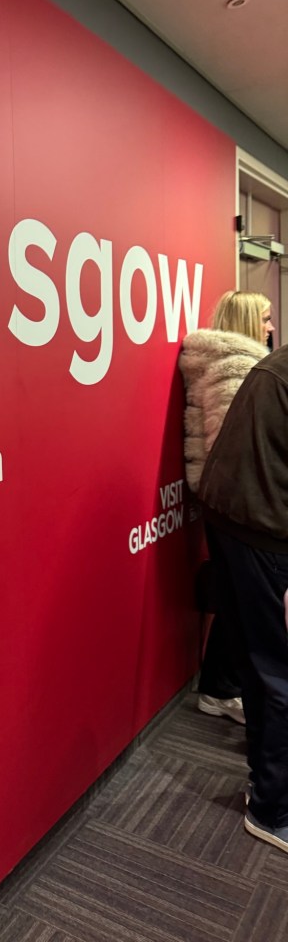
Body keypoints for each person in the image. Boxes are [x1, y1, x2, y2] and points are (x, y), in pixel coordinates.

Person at [198, 340, 288, 853]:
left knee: (259, 657)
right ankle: (274, 808)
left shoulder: (274, 367)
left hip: (237, 516)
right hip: (264, 529)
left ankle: (270, 793)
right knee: (277, 669)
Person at [179, 290, 273, 723]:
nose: (271, 326)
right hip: (239, 506)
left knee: (238, 602)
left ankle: (220, 688)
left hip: (231, 503)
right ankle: (223, 689)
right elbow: (235, 450)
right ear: (248, 320)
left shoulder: (237, 366)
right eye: (265, 318)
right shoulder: (235, 371)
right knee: (247, 605)